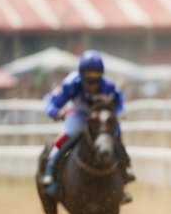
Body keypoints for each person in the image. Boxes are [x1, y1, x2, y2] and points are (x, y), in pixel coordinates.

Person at [40, 49, 135, 203]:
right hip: (78, 116)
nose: (92, 84)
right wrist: (58, 113)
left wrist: (120, 112)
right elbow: (51, 104)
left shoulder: (109, 86)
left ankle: (125, 171)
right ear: (81, 76)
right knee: (69, 134)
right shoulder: (71, 84)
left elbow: (120, 102)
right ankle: (51, 171)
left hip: (99, 120)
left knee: (113, 133)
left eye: (96, 80)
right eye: (88, 80)